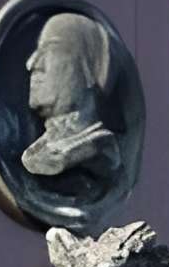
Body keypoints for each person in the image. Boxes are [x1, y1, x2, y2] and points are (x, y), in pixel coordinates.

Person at [21, 11, 122, 186]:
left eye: (51, 49)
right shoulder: (38, 150)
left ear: (90, 70)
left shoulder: (101, 150)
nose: (32, 63)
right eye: (38, 50)